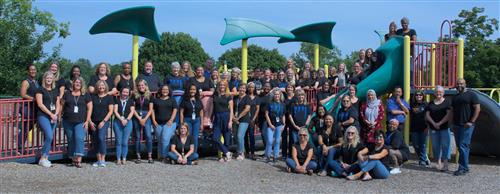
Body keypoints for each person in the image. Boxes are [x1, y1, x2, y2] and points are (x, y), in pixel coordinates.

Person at [451, 78, 480, 176]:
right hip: (456, 125)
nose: (459, 85)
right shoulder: (455, 97)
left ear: (465, 84)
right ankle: (465, 167)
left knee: (463, 146)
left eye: (461, 84)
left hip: (467, 125)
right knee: (461, 147)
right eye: (458, 84)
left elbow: (477, 109)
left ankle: (462, 168)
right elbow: (452, 111)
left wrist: (471, 121)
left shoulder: (472, 95)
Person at [61, 77, 92, 168]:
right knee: (71, 139)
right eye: (76, 82)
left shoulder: (85, 95)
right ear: (73, 84)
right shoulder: (67, 94)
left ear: (82, 84)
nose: (78, 84)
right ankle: (73, 158)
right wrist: (59, 115)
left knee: (79, 138)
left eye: (79, 82)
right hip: (68, 120)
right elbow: (62, 105)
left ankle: (79, 159)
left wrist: (87, 121)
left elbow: (90, 108)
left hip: (81, 121)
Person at [36, 72, 61, 167]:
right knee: (49, 136)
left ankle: (46, 158)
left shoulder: (56, 90)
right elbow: (40, 104)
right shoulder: (40, 89)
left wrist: (55, 114)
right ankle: (42, 158)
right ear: (44, 79)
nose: (49, 79)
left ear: (53, 79)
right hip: (43, 115)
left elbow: (58, 103)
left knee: (49, 137)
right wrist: (50, 114)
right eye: (47, 77)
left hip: (53, 116)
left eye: (50, 77)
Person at [425, 85, 452, 171]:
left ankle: (446, 164)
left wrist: (440, 123)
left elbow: (448, 115)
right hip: (433, 128)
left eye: (440, 92)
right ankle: (438, 162)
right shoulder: (431, 103)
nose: (438, 93)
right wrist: (434, 123)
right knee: (435, 145)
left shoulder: (447, 102)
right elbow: (427, 115)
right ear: (434, 93)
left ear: (443, 93)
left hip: (444, 127)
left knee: (445, 145)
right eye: (437, 92)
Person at [89, 80, 113, 167]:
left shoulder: (109, 97)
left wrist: (103, 121)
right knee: (95, 140)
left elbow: (110, 111)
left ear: (105, 86)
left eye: (102, 85)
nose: (101, 87)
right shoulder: (93, 96)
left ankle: (103, 159)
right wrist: (90, 121)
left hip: (104, 121)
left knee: (101, 138)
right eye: (99, 85)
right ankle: (98, 159)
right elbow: (89, 109)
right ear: (97, 87)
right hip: (93, 121)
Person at [151, 85, 178, 163]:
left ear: (169, 91)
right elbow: (152, 110)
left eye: (166, 89)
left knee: (165, 139)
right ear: (160, 91)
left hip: (169, 123)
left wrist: (171, 120)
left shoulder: (172, 100)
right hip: (158, 123)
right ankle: (160, 156)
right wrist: (154, 121)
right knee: (160, 140)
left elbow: (175, 110)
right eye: (163, 89)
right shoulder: (156, 100)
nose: (165, 91)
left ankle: (165, 157)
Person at [18, 64, 39, 152]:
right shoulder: (26, 82)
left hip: (34, 108)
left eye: (34, 69)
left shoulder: (36, 82)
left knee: (28, 128)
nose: (32, 71)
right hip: (27, 108)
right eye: (31, 70)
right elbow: (23, 94)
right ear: (28, 71)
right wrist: (34, 99)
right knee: (25, 128)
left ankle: (21, 146)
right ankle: (20, 148)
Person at [133, 79, 154, 163]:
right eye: (139, 85)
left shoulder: (150, 95)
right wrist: (139, 118)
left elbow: (151, 109)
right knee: (137, 137)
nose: (141, 87)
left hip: (146, 116)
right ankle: (138, 156)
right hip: (137, 116)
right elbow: (133, 109)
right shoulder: (134, 95)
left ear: (146, 86)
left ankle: (150, 156)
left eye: (142, 85)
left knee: (148, 136)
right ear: (137, 87)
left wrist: (144, 119)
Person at [212, 81, 234, 162]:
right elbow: (212, 107)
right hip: (217, 117)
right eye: (220, 85)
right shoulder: (215, 95)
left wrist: (230, 121)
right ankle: (227, 152)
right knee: (215, 138)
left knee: (227, 139)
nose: (222, 86)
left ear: (226, 86)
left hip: (226, 116)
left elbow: (231, 109)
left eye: (223, 85)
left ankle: (224, 156)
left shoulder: (228, 96)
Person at [113, 87, 135, 165]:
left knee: (125, 142)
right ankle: (118, 158)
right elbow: (115, 111)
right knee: (119, 141)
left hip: (128, 122)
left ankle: (124, 158)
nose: (125, 94)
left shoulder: (131, 101)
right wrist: (121, 119)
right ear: (120, 92)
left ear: (129, 93)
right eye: (123, 92)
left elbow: (132, 111)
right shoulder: (116, 100)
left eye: (127, 92)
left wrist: (127, 120)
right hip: (118, 122)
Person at [180, 84, 204, 151]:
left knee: (195, 138)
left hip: (197, 120)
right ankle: (186, 153)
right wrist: (182, 123)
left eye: (194, 89)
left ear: (196, 91)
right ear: (188, 90)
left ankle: (194, 154)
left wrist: (202, 123)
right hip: (187, 120)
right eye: (191, 89)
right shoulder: (185, 100)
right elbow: (181, 112)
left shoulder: (198, 99)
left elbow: (201, 112)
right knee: (187, 137)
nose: (192, 91)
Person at [264, 89, 286, 163]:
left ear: (280, 96)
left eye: (278, 94)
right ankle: (268, 155)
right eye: (275, 94)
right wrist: (270, 124)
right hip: (270, 125)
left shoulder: (283, 104)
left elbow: (283, 115)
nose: (277, 96)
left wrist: (284, 124)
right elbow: (266, 114)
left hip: (279, 125)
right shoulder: (269, 103)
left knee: (277, 141)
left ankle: (275, 156)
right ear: (273, 96)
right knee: (270, 141)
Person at [410, 90, 430, 166]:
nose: (419, 96)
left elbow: (429, 115)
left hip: (423, 127)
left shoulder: (426, 105)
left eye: (420, 95)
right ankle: (424, 157)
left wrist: (428, 126)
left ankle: (422, 160)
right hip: (414, 127)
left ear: (423, 96)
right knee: (415, 145)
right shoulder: (412, 104)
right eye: (417, 95)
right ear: (415, 96)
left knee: (422, 144)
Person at [233, 84, 251, 160]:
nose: (242, 90)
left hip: (244, 119)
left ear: (245, 89)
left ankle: (241, 153)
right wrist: (234, 118)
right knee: (236, 136)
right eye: (240, 88)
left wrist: (238, 117)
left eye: (243, 88)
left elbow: (247, 109)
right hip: (235, 119)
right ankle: (238, 151)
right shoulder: (236, 97)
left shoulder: (247, 98)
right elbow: (232, 107)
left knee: (240, 136)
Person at [244, 82, 259, 160]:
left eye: (252, 87)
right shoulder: (245, 97)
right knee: (245, 136)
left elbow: (257, 110)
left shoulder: (256, 98)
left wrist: (253, 119)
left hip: (252, 119)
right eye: (249, 87)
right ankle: (247, 152)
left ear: (254, 88)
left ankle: (253, 153)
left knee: (251, 136)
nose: (251, 88)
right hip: (245, 119)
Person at [282, 84, 296, 159]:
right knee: (284, 137)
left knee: (292, 137)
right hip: (285, 118)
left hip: (293, 119)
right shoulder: (284, 97)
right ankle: (284, 154)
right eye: (288, 87)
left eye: (291, 87)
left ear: (293, 89)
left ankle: (291, 154)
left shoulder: (295, 97)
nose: (289, 89)